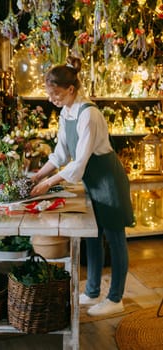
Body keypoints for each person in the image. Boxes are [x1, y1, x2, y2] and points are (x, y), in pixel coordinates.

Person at [30, 55, 134, 316]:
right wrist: (37, 176)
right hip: (92, 182)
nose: (52, 99)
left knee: (115, 238)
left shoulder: (90, 114)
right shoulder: (66, 114)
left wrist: (49, 183)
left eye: (56, 94)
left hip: (108, 181)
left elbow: (78, 164)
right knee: (93, 237)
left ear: (71, 89)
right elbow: (60, 155)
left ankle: (115, 298)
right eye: (49, 94)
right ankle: (92, 292)